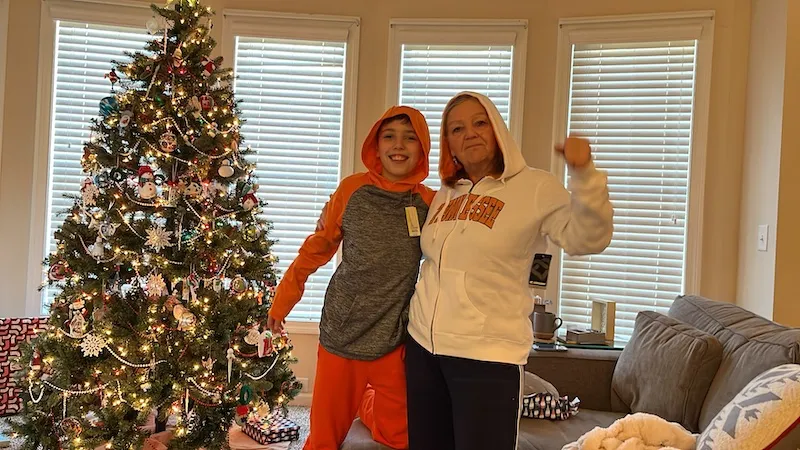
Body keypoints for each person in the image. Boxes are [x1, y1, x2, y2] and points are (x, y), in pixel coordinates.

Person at [404, 91, 614, 450]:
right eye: (457, 128)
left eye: (479, 122)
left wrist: (585, 175)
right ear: (448, 143)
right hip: (424, 348)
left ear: (497, 129)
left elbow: (587, 238)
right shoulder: (446, 193)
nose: (469, 133)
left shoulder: (535, 187)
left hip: (488, 357)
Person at [267, 106, 435, 450]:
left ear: (423, 148)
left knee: (399, 437)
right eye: (389, 136)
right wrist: (281, 304)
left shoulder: (430, 202)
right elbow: (316, 250)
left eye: (410, 137)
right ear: (376, 144)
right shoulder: (352, 190)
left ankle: (365, 403)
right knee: (325, 440)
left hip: (394, 337)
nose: (398, 145)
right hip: (343, 334)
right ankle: (360, 400)